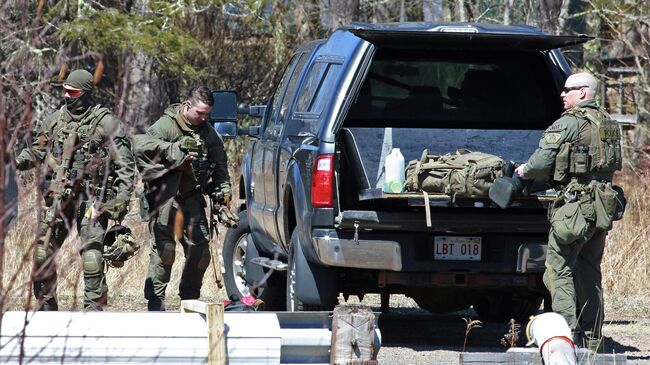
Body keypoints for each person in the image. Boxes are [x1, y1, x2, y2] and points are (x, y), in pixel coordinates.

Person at [515, 72, 623, 351]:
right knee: (589, 272)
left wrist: (523, 171)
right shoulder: (609, 123)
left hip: (575, 207)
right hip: (602, 205)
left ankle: (566, 338)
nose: (562, 94)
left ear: (583, 93)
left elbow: (540, 163)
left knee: (558, 271)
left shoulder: (570, 122)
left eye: (568, 90)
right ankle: (593, 339)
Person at [16, 69, 136, 310]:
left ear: (86, 93)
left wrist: (119, 202)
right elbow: (39, 150)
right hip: (59, 197)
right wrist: (17, 159)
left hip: (91, 199)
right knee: (42, 252)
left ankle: (93, 309)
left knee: (92, 256)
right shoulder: (55, 119)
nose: (68, 96)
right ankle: (46, 307)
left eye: (74, 92)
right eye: (65, 91)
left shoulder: (106, 122)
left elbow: (126, 165)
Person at [135, 86, 234, 311]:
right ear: (187, 105)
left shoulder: (208, 134)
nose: (204, 118)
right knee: (165, 251)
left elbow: (220, 166)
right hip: (165, 199)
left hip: (192, 199)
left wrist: (223, 193)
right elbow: (141, 148)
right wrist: (175, 152)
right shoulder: (165, 126)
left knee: (200, 252)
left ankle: (189, 300)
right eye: (200, 113)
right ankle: (155, 302)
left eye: (207, 114)